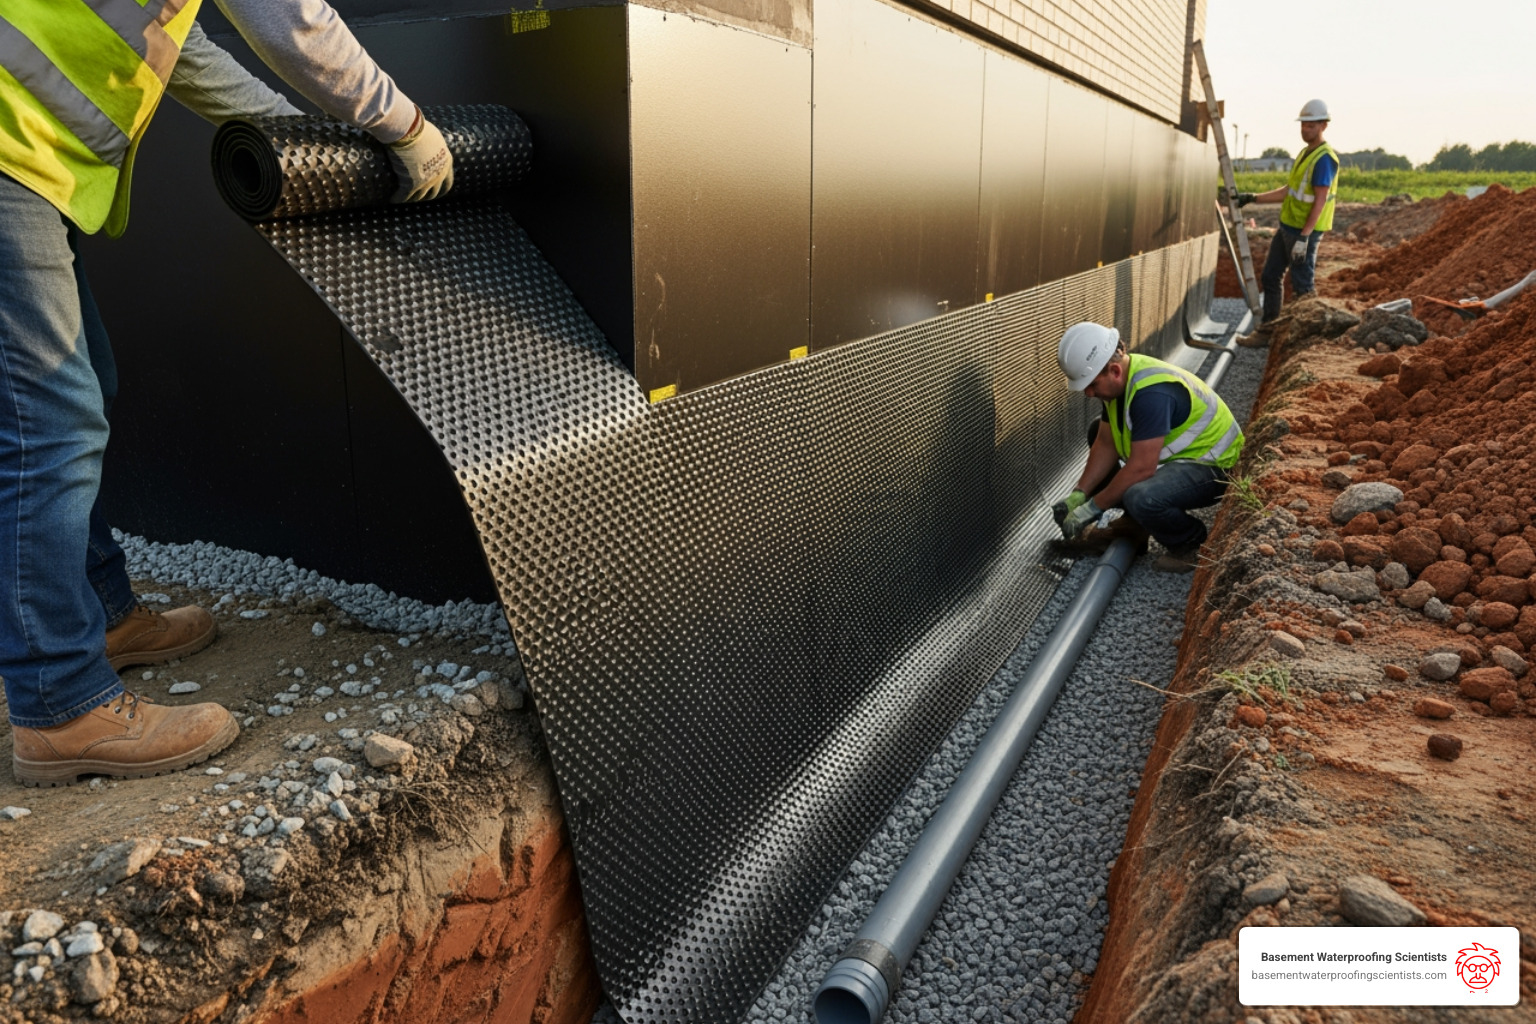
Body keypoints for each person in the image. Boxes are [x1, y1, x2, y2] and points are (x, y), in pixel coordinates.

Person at [2, 1, 453, 786]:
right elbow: (290, 18)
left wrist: (301, 143)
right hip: (10, 150)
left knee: (79, 394)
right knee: (48, 423)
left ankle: (103, 618)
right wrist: (405, 127)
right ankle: (58, 703)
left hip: (32, 160)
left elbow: (185, 53)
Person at [1052, 323, 1244, 573]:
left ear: (1114, 371)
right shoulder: (1120, 382)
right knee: (1095, 429)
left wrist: (1094, 507)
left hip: (1214, 467)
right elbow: (1106, 442)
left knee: (1142, 496)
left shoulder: (1151, 394)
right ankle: (1135, 525)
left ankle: (1190, 542)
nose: (1088, 393)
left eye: (1092, 385)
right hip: (1183, 460)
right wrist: (1080, 493)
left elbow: (1141, 468)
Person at [1232, 99, 1339, 347]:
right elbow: (1289, 191)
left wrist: (1304, 237)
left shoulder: (1324, 158)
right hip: (1288, 227)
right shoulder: (1305, 153)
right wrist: (1254, 198)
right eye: (1303, 125)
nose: (1305, 129)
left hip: (1303, 232)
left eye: (1311, 125)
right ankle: (1267, 332)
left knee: (1303, 286)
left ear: (1323, 125)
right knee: (1271, 276)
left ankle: (1306, 342)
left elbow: (1320, 201)